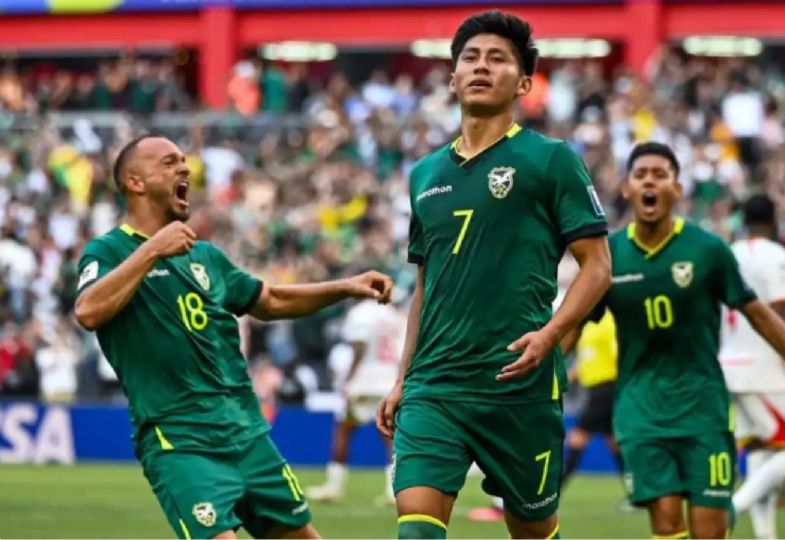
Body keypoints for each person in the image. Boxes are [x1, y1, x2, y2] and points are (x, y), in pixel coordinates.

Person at [73, 134, 394, 540]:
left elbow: (271, 299)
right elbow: (88, 311)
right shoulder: (108, 251)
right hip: (181, 440)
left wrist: (346, 286)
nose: (185, 169)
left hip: (244, 431)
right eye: (170, 162)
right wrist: (152, 250)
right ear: (135, 182)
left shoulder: (205, 257)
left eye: (184, 162)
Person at [375, 10, 612, 540]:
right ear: (453, 76)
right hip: (434, 385)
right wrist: (402, 379)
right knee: (416, 529)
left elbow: (598, 268)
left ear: (524, 82)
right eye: (470, 58)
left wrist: (551, 335)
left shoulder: (550, 160)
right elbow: (425, 287)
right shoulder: (424, 174)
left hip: (516, 385)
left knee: (533, 529)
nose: (481, 67)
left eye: (497, 58)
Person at [566, 142, 785, 539]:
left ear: (677, 188)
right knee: (667, 522)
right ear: (626, 188)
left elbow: (761, 314)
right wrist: (538, 371)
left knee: (710, 530)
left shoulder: (708, 250)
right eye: (641, 175)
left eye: (660, 174)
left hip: (702, 409)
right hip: (641, 411)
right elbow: (573, 323)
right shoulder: (609, 256)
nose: (650, 182)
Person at [719, 193, 785, 539]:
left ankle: (766, 537)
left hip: (728, 363)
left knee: (760, 451)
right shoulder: (776, 255)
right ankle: (730, 509)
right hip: (766, 369)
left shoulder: (728, 253)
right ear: (774, 221)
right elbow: (780, 314)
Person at [307, 295, 406, 505]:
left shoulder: (361, 312)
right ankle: (393, 489)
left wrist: (350, 378)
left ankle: (334, 486)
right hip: (389, 378)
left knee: (344, 429)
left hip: (364, 380)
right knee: (390, 435)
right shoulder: (392, 314)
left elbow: (359, 346)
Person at [558, 310, 624, 494]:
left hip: (607, 387)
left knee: (577, 437)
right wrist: (567, 377)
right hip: (596, 388)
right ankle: (635, 492)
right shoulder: (587, 324)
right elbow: (586, 358)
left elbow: (619, 354)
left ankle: (555, 490)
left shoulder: (610, 322)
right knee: (614, 441)